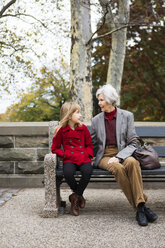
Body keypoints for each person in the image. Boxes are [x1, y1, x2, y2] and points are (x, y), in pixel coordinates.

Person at [90, 84, 158, 226]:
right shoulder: (96, 120)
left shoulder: (127, 116)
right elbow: (91, 142)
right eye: (99, 100)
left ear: (109, 100)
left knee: (133, 163)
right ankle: (140, 206)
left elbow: (133, 143)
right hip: (104, 156)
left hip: (123, 152)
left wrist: (120, 157)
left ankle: (140, 207)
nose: (99, 103)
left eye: (101, 100)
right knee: (118, 168)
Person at [51, 102, 93, 216]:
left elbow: (89, 145)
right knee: (68, 172)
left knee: (88, 171)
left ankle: (75, 197)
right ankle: (79, 196)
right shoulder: (61, 130)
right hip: (69, 158)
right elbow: (54, 148)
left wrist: (88, 154)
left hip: (83, 158)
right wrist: (64, 155)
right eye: (77, 112)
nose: (80, 115)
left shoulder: (83, 128)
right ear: (69, 115)